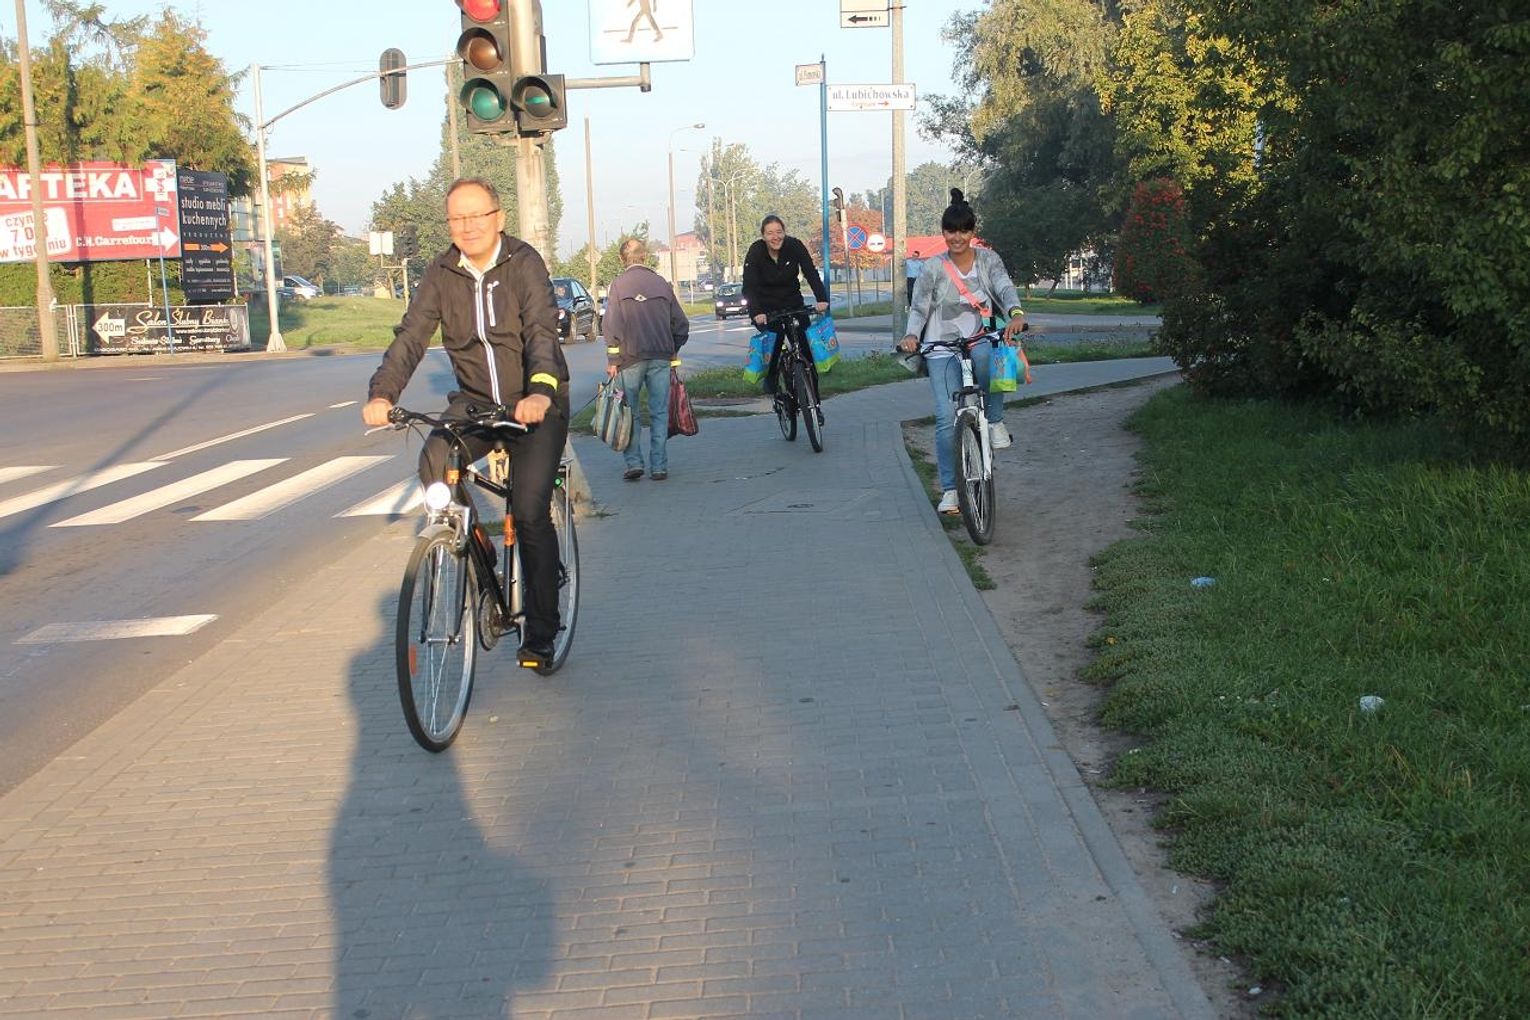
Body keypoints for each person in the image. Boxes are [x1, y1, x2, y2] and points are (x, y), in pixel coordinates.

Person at [362, 177, 571, 668]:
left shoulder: (523, 263)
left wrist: (540, 392)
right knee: (434, 461)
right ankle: (476, 548)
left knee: (529, 510)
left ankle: (541, 631)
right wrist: (383, 392)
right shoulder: (441, 273)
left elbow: (541, 332)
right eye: (457, 218)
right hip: (476, 404)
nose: (468, 226)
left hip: (534, 404)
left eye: (477, 215)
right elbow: (411, 337)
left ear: (498, 218)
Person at [898, 188, 1026, 516]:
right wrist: (911, 335)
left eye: (963, 231)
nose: (957, 237)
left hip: (978, 338)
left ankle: (994, 420)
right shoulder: (933, 267)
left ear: (972, 232)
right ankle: (951, 490)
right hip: (940, 347)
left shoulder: (988, 260)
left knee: (990, 359)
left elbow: (1004, 287)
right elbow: (919, 305)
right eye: (950, 231)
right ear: (943, 233)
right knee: (945, 417)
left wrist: (1015, 313)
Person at [603, 236, 690, 481]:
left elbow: (611, 325)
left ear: (621, 259)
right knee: (659, 412)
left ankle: (634, 463)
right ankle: (659, 466)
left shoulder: (618, 285)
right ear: (645, 256)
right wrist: (673, 348)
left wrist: (612, 360)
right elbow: (681, 324)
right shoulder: (661, 283)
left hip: (629, 359)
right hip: (661, 357)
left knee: (630, 413)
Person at [742, 214, 829, 397]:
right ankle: (772, 377)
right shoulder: (756, 251)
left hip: (793, 303)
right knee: (775, 340)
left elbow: (810, 272)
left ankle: (814, 402)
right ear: (763, 236)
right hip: (766, 308)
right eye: (770, 233)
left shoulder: (794, 246)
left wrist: (821, 299)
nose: (775, 237)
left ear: (784, 232)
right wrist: (756, 312)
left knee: (806, 350)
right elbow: (749, 286)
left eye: (779, 232)